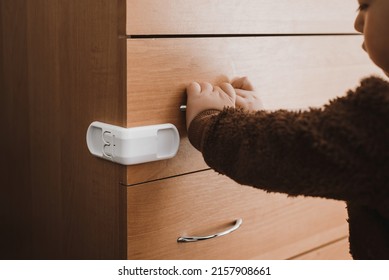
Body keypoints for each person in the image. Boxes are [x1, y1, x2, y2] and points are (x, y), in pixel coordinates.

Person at [185, 0, 389, 259]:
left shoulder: (378, 123)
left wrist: (210, 122)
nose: (357, 23)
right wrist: (254, 120)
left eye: (366, 6)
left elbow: (292, 149)